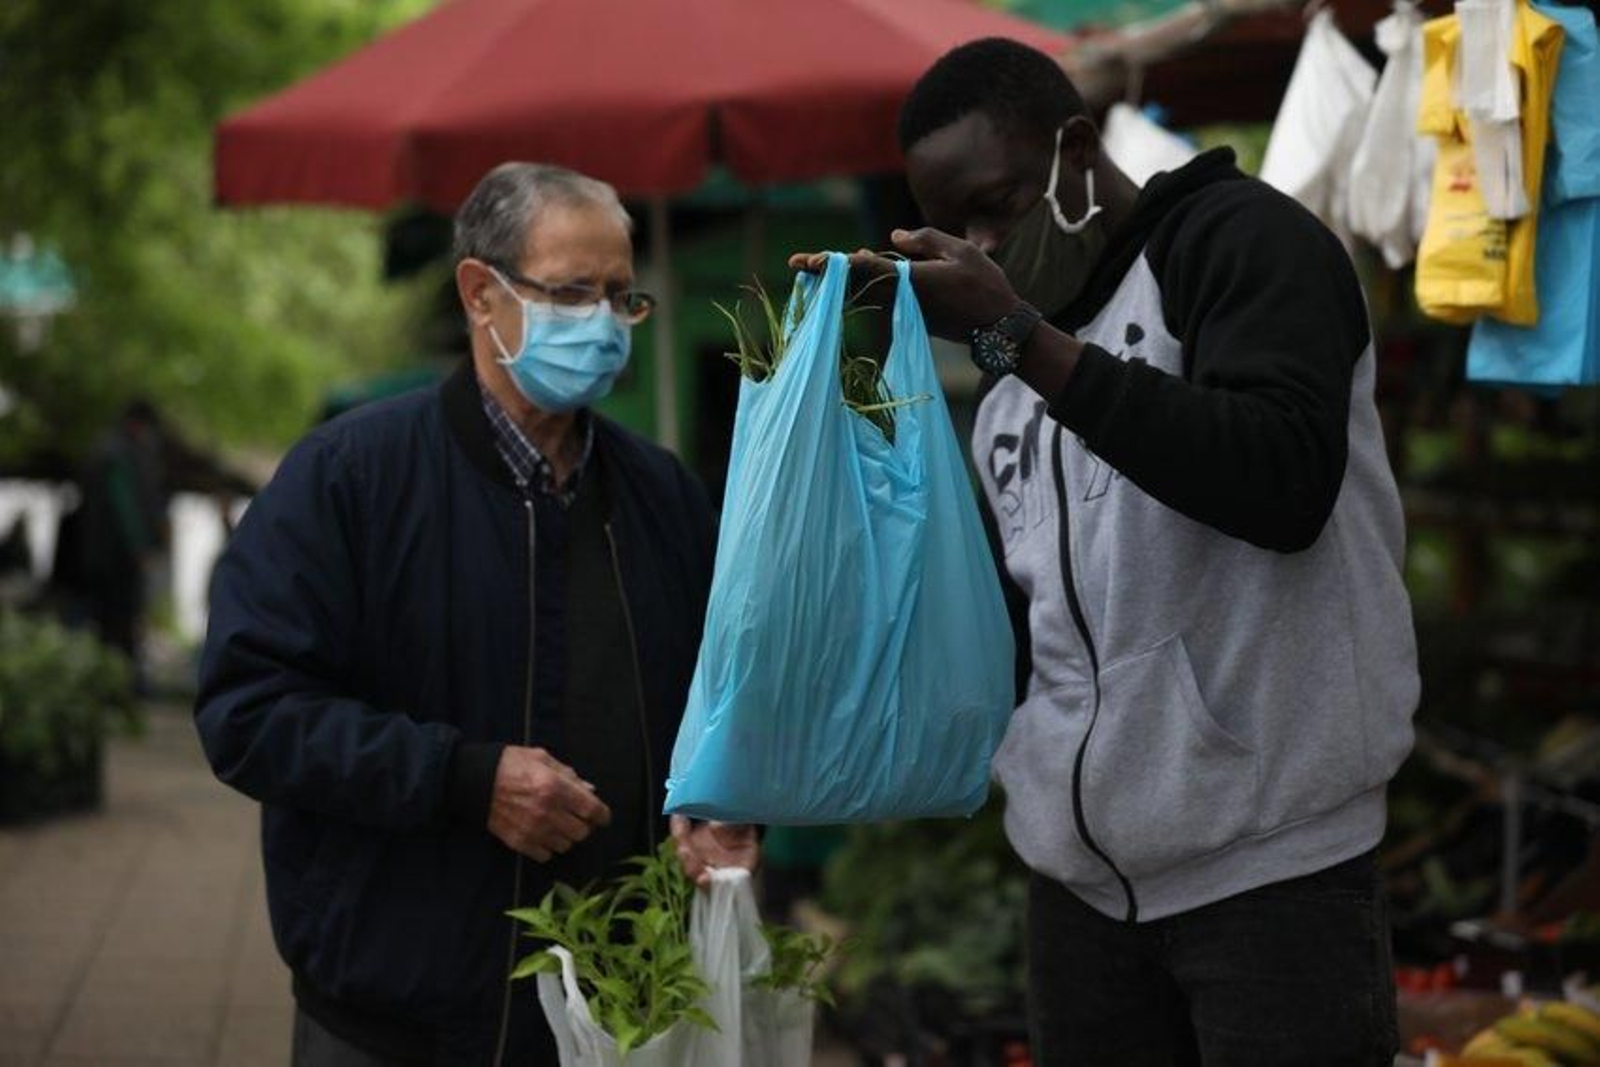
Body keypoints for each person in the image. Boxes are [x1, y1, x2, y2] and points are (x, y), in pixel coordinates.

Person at [794, 38, 1418, 1065]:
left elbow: (1280, 482)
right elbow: (1022, 621)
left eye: (997, 204)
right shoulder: (1010, 385)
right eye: (959, 228)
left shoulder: (1240, 244)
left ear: (1076, 149)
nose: (984, 243)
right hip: (1077, 893)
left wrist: (1016, 334)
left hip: (1270, 879)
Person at [196, 163, 757, 1066]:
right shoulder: (349, 479)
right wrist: (461, 777)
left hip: (619, 1009)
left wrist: (725, 807)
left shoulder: (661, 494)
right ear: (480, 294)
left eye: (622, 296)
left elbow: (721, 697)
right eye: (573, 292)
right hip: (398, 1013)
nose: (605, 324)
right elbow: (248, 712)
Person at [73, 399, 169, 685]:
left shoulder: (107, 449)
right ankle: (115, 686)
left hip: (103, 557)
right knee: (118, 625)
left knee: (109, 626)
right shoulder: (118, 454)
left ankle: (111, 684)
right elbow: (124, 506)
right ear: (138, 425)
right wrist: (139, 547)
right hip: (118, 560)